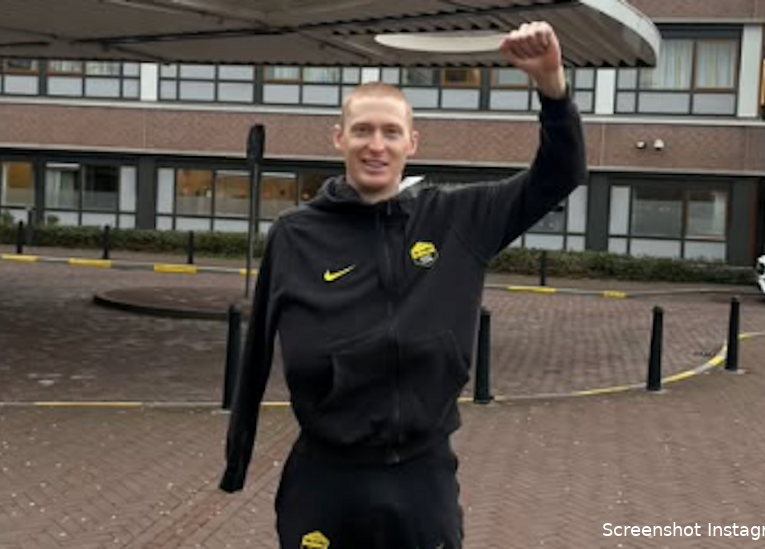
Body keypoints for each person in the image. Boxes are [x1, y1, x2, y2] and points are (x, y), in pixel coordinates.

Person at [220, 21, 587, 549]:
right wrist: (238, 459)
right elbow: (255, 353)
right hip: (324, 479)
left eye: (391, 132)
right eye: (363, 130)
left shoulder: (459, 219)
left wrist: (551, 86)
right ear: (339, 138)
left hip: (420, 477)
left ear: (411, 143)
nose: (376, 145)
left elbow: (559, 175)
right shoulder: (295, 235)